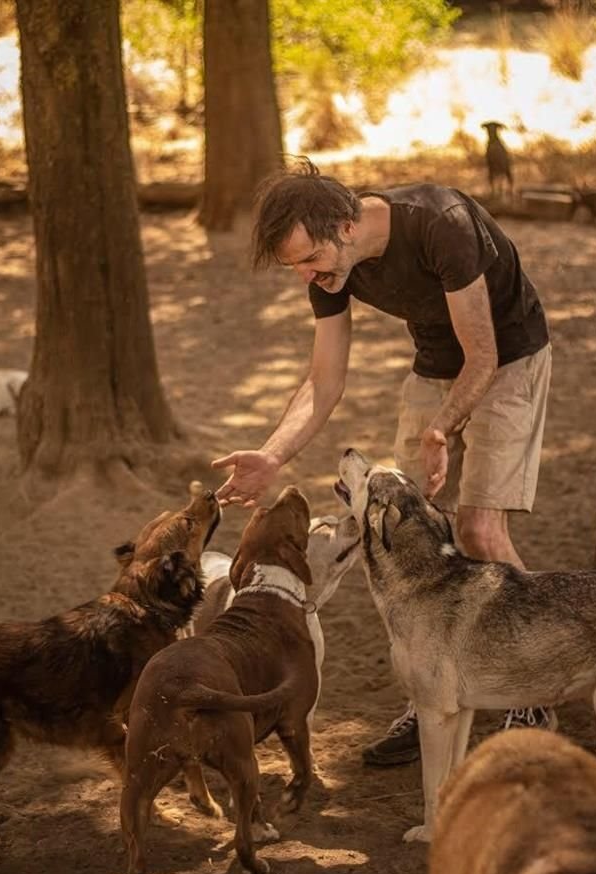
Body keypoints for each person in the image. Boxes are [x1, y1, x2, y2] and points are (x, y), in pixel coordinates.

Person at [213, 156, 554, 766]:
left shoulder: (439, 223)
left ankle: (533, 694)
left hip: (508, 360)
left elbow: (483, 354)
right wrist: (271, 455)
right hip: (433, 366)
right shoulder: (330, 271)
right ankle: (432, 693)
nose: (308, 275)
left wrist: (443, 428)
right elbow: (324, 381)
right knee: (406, 539)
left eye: (309, 259)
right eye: (295, 265)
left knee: (477, 527)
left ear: (346, 227)